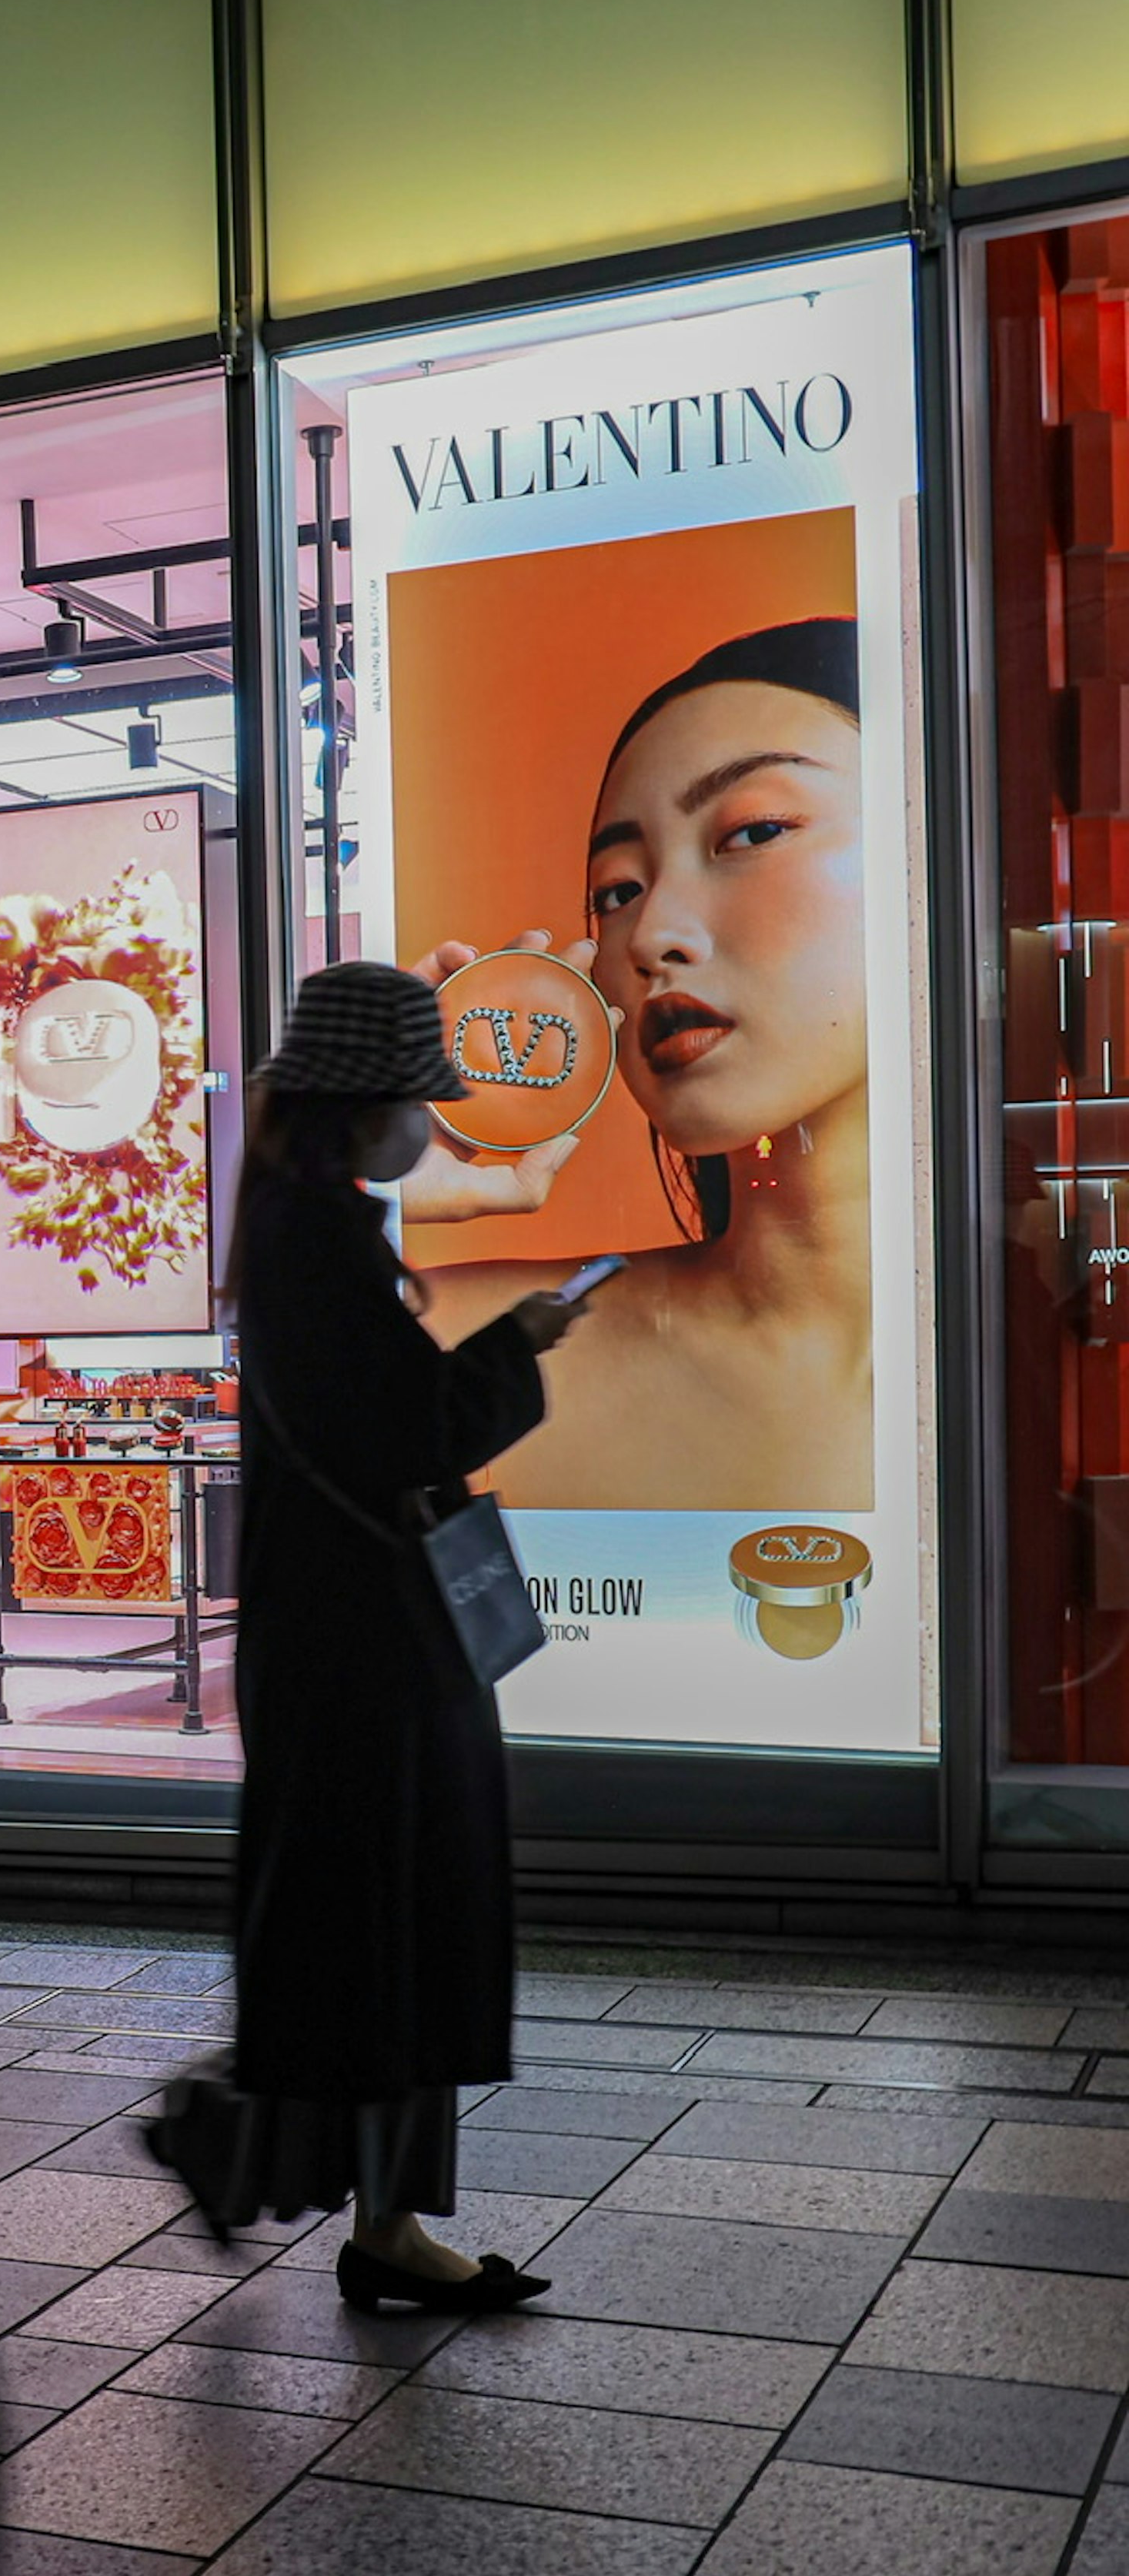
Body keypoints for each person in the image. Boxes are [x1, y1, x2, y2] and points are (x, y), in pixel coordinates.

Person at [159, 957, 591, 2310]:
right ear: (367, 1102)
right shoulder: (316, 1239)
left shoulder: (312, 1221)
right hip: (364, 1653)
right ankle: (289, 2169)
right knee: (378, 1930)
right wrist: (522, 1341)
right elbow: (405, 1428)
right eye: (419, 1097)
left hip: (358, 1640)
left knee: (374, 1931)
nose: (434, 1125)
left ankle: (346, 2201)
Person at [406, 619, 870, 1511]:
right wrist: (371, 1181)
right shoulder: (459, 1338)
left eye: (754, 831)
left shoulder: (1052, 1341)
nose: (651, 934)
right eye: (619, 891)